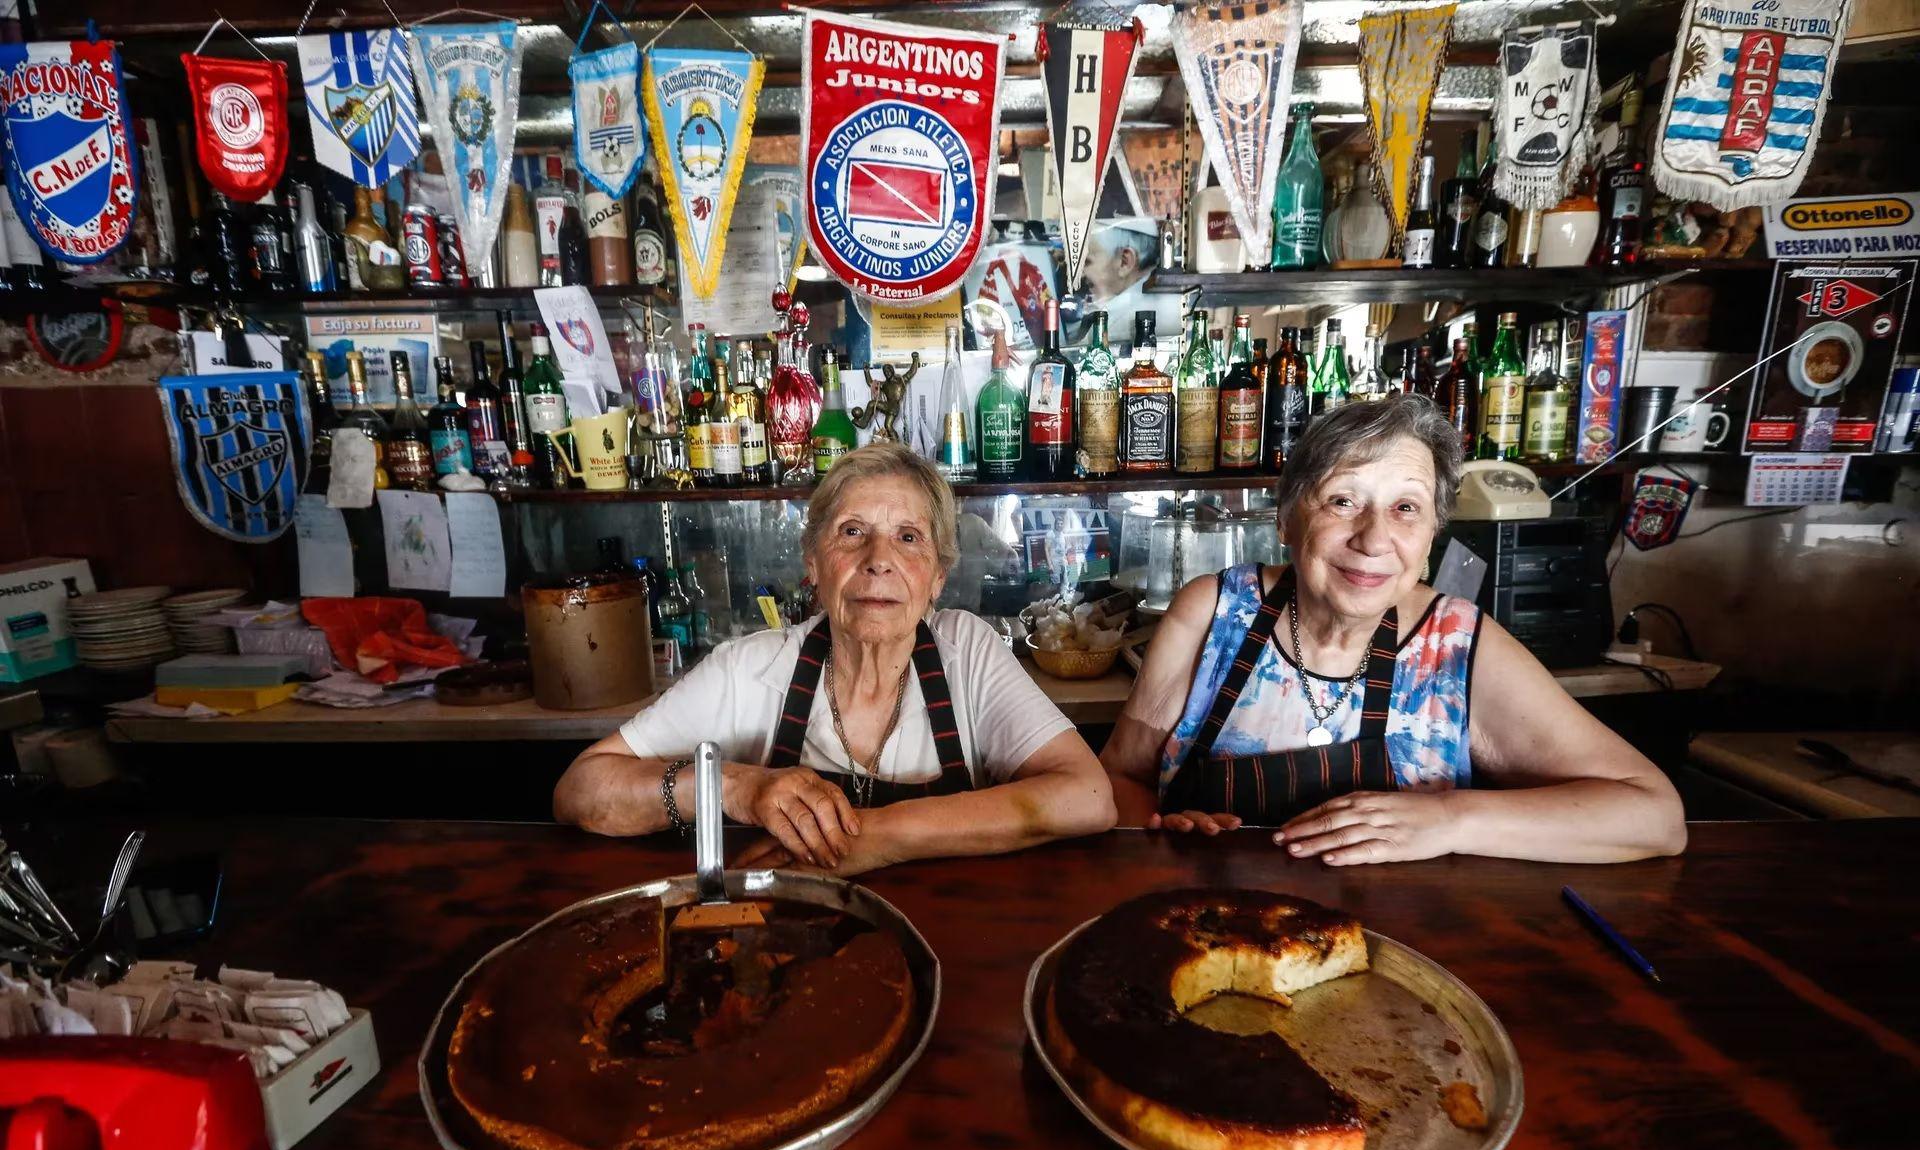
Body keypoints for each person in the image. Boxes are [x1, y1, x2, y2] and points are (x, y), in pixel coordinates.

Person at [1100, 397, 1685, 864]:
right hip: (1208, 930)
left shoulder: (1455, 645)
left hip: (1396, 956)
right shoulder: (1214, 613)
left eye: (1406, 508)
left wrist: (1452, 819)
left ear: (1432, 535)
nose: (1374, 539)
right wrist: (1159, 831)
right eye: (1342, 501)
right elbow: (1118, 781)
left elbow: (1655, 817)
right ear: (1286, 519)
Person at [555, 441, 1116, 874]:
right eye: (852, 532)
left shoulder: (967, 654)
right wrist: (735, 787)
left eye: (908, 538)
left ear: (938, 577)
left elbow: (1088, 796)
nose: (878, 559)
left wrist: (875, 837)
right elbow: (581, 789)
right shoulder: (749, 669)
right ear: (814, 563)